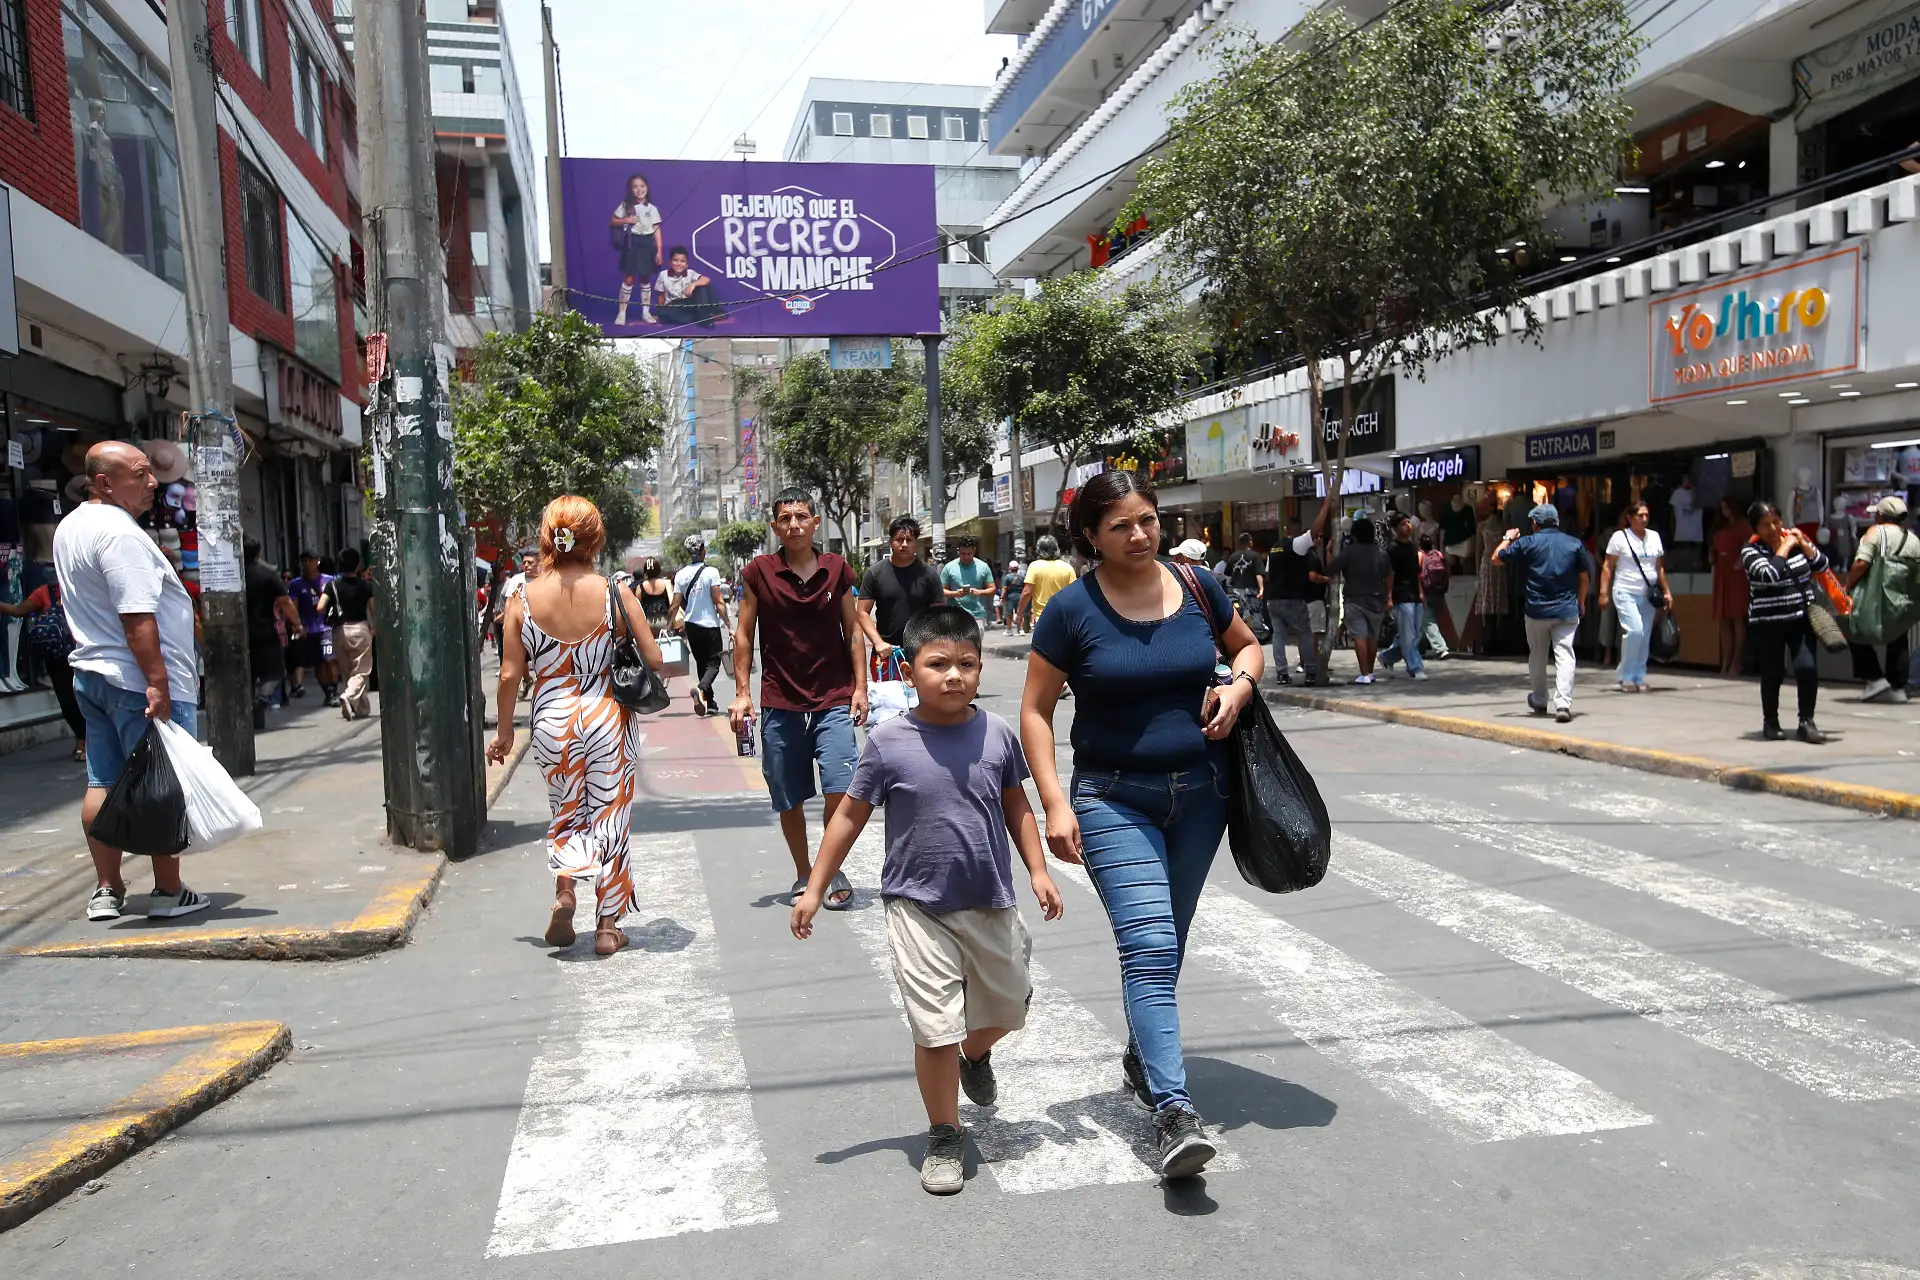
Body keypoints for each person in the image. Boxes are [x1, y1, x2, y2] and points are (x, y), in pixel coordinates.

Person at [1020, 469, 1264, 1179]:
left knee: (1169, 940)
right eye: (1121, 525)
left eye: (1148, 520)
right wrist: (1055, 802)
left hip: (1203, 796)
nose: (1140, 534)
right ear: (1090, 537)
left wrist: (1238, 687)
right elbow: (1036, 710)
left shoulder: (1195, 585)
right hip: (1113, 798)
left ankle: (1143, 1053)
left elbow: (1246, 647)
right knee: (1150, 943)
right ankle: (1174, 1111)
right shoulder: (1070, 610)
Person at [792, 605, 1062, 1196]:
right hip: (916, 906)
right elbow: (848, 818)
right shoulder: (889, 743)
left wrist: (1038, 870)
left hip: (991, 898)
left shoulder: (996, 733)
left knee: (1010, 1007)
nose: (953, 675)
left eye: (966, 663)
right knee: (934, 1027)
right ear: (909, 672)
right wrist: (816, 885)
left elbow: (1017, 805)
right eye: (937, 664)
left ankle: (975, 1053)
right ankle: (945, 1132)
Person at [488, 496, 663, 956]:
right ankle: (607, 926)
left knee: (566, 808)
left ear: (548, 538)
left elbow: (509, 674)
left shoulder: (521, 598)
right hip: (606, 713)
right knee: (610, 815)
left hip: (551, 718)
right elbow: (656, 658)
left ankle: (565, 891)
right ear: (594, 537)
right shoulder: (614, 591)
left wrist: (505, 732)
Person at [54, 442, 211, 922]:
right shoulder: (118, 534)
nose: (152, 483)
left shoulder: (71, 526)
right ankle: (167, 890)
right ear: (104, 482)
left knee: (102, 781)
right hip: (135, 681)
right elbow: (137, 618)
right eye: (140, 474)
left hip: (95, 675)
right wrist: (158, 684)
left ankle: (108, 889)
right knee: (161, 785)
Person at [730, 488, 868, 909]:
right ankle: (804, 873)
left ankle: (830, 868)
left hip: (833, 699)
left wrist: (860, 688)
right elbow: (743, 634)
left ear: (815, 522)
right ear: (775, 526)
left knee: (841, 790)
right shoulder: (758, 572)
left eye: (802, 516)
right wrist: (741, 694)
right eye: (786, 518)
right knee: (788, 795)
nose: (794, 524)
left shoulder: (837, 569)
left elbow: (854, 630)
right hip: (780, 701)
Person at [1494, 503, 1593, 723]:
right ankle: (1563, 704)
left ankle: (1539, 699)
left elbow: (1496, 558)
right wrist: (1582, 601)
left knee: (1537, 655)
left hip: (1537, 610)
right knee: (1565, 655)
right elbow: (1584, 576)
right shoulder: (1574, 544)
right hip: (1567, 608)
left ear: (1535, 524)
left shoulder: (1528, 542)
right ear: (1556, 522)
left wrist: (1508, 537)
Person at [1742, 500, 1829, 742]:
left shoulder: (1796, 542)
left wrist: (1804, 545)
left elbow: (1822, 565)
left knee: (1807, 668)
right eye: (1765, 524)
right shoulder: (1751, 551)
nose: (1772, 528)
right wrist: (1785, 547)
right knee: (1773, 671)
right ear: (1755, 529)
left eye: (1776, 522)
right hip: (1768, 622)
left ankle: (1806, 722)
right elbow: (1769, 574)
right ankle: (1771, 722)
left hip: (1800, 618)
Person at [0, 573, 86, 759]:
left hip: (85, 653)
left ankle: (87, 740)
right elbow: (18, 610)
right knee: (67, 701)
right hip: (57, 656)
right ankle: (82, 737)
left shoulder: (82, 590)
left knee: (86, 698)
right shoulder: (45, 592)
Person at [1845, 496, 1914, 703]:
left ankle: (1874, 678)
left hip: (1876, 596)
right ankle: (1897, 687)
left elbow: (1860, 563)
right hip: (1903, 596)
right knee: (1898, 638)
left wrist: (1847, 585)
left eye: (1876, 513)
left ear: (1882, 515)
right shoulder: (1911, 537)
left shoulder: (1875, 533)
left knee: (1854, 629)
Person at [1601, 501, 1671, 693]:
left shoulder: (1654, 537)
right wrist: (1603, 592)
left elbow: (1659, 567)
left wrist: (1666, 590)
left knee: (1644, 634)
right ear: (1630, 518)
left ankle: (1638, 675)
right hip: (1625, 591)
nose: (1644, 519)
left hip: (1647, 594)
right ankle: (1625, 676)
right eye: (1640, 515)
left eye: (1646, 515)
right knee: (1635, 630)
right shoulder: (1620, 537)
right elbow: (1608, 566)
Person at [859, 516, 943, 657]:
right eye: (899, 539)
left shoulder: (929, 574)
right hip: (885, 654)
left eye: (909, 540)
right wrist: (878, 642)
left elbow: (939, 615)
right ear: (891, 541)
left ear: (915, 543)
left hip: (921, 653)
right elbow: (862, 612)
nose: (904, 544)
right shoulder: (875, 573)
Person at [243, 539, 301, 728]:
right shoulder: (267, 575)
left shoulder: (233, 575)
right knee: (275, 672)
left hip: (239, 634)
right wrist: (298, 624)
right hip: (265, 631)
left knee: (247, 677)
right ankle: (262, 700)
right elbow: (285, 602)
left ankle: (254, 719)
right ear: (258, 554)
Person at [673, 537, 731, 717]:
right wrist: (729, 625)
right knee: (714, 663)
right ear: (703, 550)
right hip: (709, 625)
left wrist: (669, 626)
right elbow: (719, 602)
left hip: (691, 625)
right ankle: (701, 688)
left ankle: (710, 702)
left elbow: (675, 605)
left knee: (702, 664)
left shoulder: (681, 574)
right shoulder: (711, 572)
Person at [1264, 517, 1326, 685]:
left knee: (1278, 636)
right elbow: (1314, 531)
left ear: (1285, 529)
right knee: (1305, 634)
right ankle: (1311, 672)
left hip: (1273, 599)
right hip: (1291, 598)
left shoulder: (1274, 548)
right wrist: (1326, 506)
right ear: (1298, 531)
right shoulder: (1297, 544)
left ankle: (1282, 674)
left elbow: (1268, 574)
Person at [1331, 517, 1391, 684]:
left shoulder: (1349, 551)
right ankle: (1370, 673)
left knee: (1359, 636)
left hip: (1354, 599)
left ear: (1355, 535)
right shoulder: (1381, 552)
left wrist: (1329, 552)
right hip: (1377, 599)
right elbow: (1388, 576)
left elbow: (1331, 569)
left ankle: (1364, 673)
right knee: (1372, 637)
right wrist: (1388, 596)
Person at [321, 549, 376, 720]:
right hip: (360, 629)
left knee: (348, 673)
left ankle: (361, 709)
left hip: (339, 631)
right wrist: (375, 627)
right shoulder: (365, 585)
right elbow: (374, 609)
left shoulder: (332, 586)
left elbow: (320, 607)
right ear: (358, 565)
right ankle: (348, 696)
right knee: (361, 671)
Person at [1376, 513, 1429, 680]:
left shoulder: (1413, 547)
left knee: (1415, 633)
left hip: (1414, 593)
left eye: (1408, 523)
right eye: (1403, 524)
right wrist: (1389, 597)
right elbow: (1389, 575)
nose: (1408, 526)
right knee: (1408, 635)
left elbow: (1416, 573)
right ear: (1396, 528)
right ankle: (1415, 667)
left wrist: (1421, 592)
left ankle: (1387, 657)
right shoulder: (1391, 549)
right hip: (1400, 595)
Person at [286, 551, 339, 705]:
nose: (307, 563)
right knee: (319, 663)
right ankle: (327, 693)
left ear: (317, 561)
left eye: (310, 560)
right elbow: (293, 606)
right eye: (304, 561)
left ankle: (334, 692)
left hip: (327, 628)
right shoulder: (296, 584)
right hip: (309, 630)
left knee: (330, 659)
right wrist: (297, 626)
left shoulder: (328, 581)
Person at [611, 173, 662, 326]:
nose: (639, 190)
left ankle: (646, 312)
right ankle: (622, 313)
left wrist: (659, 250)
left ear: (647, 187)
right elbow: (613, 220)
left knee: (645, 278)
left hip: (647, 243)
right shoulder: (626, 205)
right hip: (632, 242)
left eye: (642, 186)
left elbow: (657, 230)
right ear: (631, 190)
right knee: (629, 278)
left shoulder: (652, 208)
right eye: (635, 187)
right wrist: (628, 220)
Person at [1711, 496, 1752, 676]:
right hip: (1721, 572)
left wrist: (1741, 561)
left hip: (1737, 573)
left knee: (1737, 617)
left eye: (1727, 507)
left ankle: (1737, 661)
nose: (1724, 511)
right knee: (1723, 619)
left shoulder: (1743, 525)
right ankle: (1726, 661)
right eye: (1722, 508)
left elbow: (1751, 543)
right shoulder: (1720, 526)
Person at [1016, 535, 1075, 630]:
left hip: (1043, 619)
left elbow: (1027, 592)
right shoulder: (1067, 567)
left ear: (1039, 549)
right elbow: (1075, 594)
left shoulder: (1034, 567)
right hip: (1065, 619)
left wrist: (1019, 613)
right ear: (1056, 548)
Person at [653, 246, 720, 329]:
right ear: (670, 262)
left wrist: (693, 285)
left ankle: (704, 317)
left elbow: (706, 279)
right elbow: (661, 296)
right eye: (675, 260)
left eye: (682, 261)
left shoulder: (690, 273)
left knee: (703, 287)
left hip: (689, 304)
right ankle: (700, 317)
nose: (679, 264)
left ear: (686, 264)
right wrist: (660, 312)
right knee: (665, 313)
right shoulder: (663, 275)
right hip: (674, 305)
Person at [940, 534, 997, 628]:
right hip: (955, 615)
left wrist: (979, 592)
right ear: (958, 551)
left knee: (975, 643)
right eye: (963, 554)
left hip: (977, 616)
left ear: (974, 551)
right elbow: (941, 590)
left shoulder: (983, 567)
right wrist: (955, 593)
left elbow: (992, 589)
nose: (966, 557)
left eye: (969, 553)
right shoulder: (949, 567)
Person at [1415, 533, 1455, 659]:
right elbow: (1448, 570)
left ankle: (1441, 649)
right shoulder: (1439, 554)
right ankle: (1420, 648)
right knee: (1424, 621)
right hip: (1439, 592)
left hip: (1426, 593)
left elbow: (1416, 576)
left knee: (1428, 622)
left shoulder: (1419, 555)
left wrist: (1420, 592)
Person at [637, 556, 673, 635]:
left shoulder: (640, 587)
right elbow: (672, 602)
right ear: (658, 569)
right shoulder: (666, 584)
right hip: (664, 621)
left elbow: (637, 608)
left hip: (647, 623)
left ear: (645, 571)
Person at [999, 558, 1025, 631]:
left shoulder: (1007, 577)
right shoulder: (1021, 577)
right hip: (1019, 597)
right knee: (1020, 613)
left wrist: (1001, 598)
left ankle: (1009, 629)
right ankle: (1021, 629)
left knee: (1009, 614)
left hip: (1009, 598)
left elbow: (1004, 588)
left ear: (1009, 568)